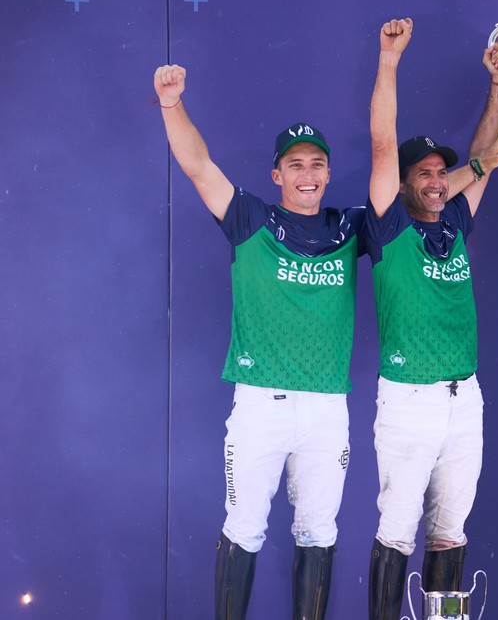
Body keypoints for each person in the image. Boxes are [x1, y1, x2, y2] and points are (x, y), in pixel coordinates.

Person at [154, 64, 365, 620]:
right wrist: (172, 104)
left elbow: (416, 200)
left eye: (316, 164)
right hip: (260, 403)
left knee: (319, 531)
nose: (307, 174)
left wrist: (480, 165)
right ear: (277, 175)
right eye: (295, 165)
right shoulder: (251, 218)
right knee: (244, 527)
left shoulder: (350, 226)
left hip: (327, 407)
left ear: (328, 173)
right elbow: (198, 166)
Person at [362, 19, 498, 620]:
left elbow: (481, 158)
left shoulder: (453, 221)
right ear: (401, 183)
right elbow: (383, 141)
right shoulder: (387, 224)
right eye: (423, 173)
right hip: (409, 399)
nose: (434, 181)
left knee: (451, 531)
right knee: (398, 529)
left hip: (464, 398)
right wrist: (389, 60)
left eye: (439, 172)